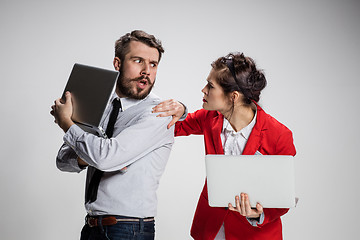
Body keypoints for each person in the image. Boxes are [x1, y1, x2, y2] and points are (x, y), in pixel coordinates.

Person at [153, 52, 296, 239]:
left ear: (233, 96)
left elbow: (282, 197)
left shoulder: (279, 135)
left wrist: (258, 214)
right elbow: (172, 127)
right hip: (211, 228)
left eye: (210, 86)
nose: (203, 90)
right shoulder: (209, 118)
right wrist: (180, 109)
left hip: (254, 234)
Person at [50, 30, 175, 240]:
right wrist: (89, 154)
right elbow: (63, 160)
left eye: (153, 64)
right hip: (92, 226)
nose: (147, 71)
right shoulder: (102, 105)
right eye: (138, 61)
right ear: (117, 63)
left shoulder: (159, 112)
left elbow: (105, 159)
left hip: (128, 229)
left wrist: (67, 124)